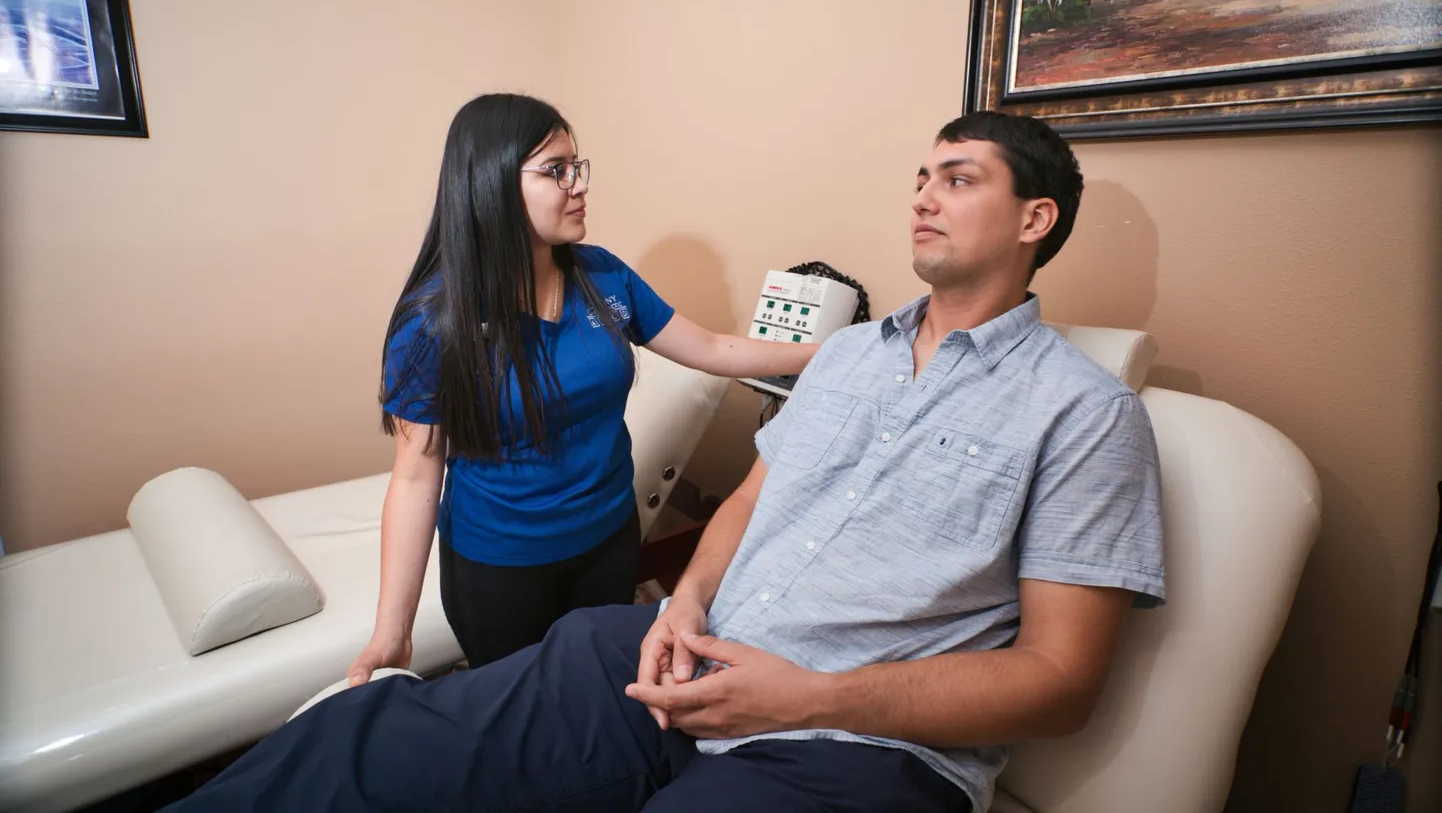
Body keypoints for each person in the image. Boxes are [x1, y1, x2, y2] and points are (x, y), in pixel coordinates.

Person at [164, 111, 1165, 813]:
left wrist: (806, 698)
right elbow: (751, 497)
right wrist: (683, 605)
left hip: (849, 742)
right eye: (918, 178)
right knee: (359, 741)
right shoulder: (852, 359)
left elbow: (1061, 684)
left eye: (956, 180)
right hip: (658, 654)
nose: (919, 199)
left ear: (1034, 220)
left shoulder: (1081, 414)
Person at [349, 93, 818, 680]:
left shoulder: (602, 274)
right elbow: (417, 476)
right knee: (524, 720)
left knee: (599, 694)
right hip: (500, 569)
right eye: (555, 171)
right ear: (491, 184)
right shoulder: (432, 324)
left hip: (608, 541)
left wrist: (831, 354)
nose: (578, 184)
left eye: (578, 166)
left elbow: (711, 348)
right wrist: (392, 632)